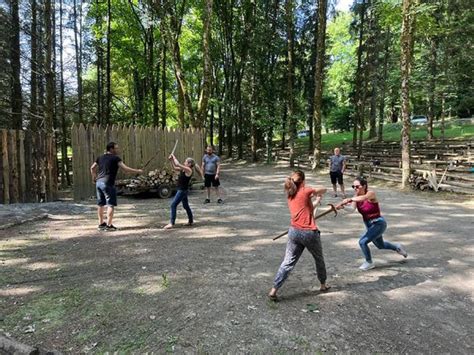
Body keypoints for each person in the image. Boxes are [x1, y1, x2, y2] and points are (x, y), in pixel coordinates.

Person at [268, 170, 330, 301]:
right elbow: (324, 189)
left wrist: (317, 201)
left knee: (288, 262)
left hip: (294, 232)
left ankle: (274, 290)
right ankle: (323, 285)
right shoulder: (305, 191)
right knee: (319, 259)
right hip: (309, 233)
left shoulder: (290, 194)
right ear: (303, 180)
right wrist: (316, 192)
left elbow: (306, 209)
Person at [339, 177, 408, 270]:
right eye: (353, 186)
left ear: (364, 186)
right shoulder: (356, 196)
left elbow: (364, 198)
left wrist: (350, 199)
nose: (355, 188)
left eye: (357, 186)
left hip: (378, 223)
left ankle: (369, 262)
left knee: (362, 242)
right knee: (380, 245)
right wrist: (343, 207)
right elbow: (352, 209)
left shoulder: (370, 193)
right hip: (369, 224)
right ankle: (397, 247)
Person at [90, 142, 143, 231]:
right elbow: (125, 169)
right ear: (111, 149)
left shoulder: (100, 157)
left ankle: (101, 224)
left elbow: (92, 168)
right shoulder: (116, 158)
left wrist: (93, 177)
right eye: (116, 148)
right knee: (110, 204)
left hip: (99, 182)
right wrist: (137, 171)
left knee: (101, 204)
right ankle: (109, 225)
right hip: (108, 183)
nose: (118, 150)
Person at [163, 154, 199, 229]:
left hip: (182, 191)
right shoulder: (184, 169)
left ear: (189, 164)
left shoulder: (189, 170)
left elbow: (178, 164)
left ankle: (172, 223)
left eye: (185, 162)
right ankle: (191, 221)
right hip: (183, 190)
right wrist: (171, 160)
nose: (184, 162)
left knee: (173, 205)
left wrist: (174, 156)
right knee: (186, 206)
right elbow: (175, 167)